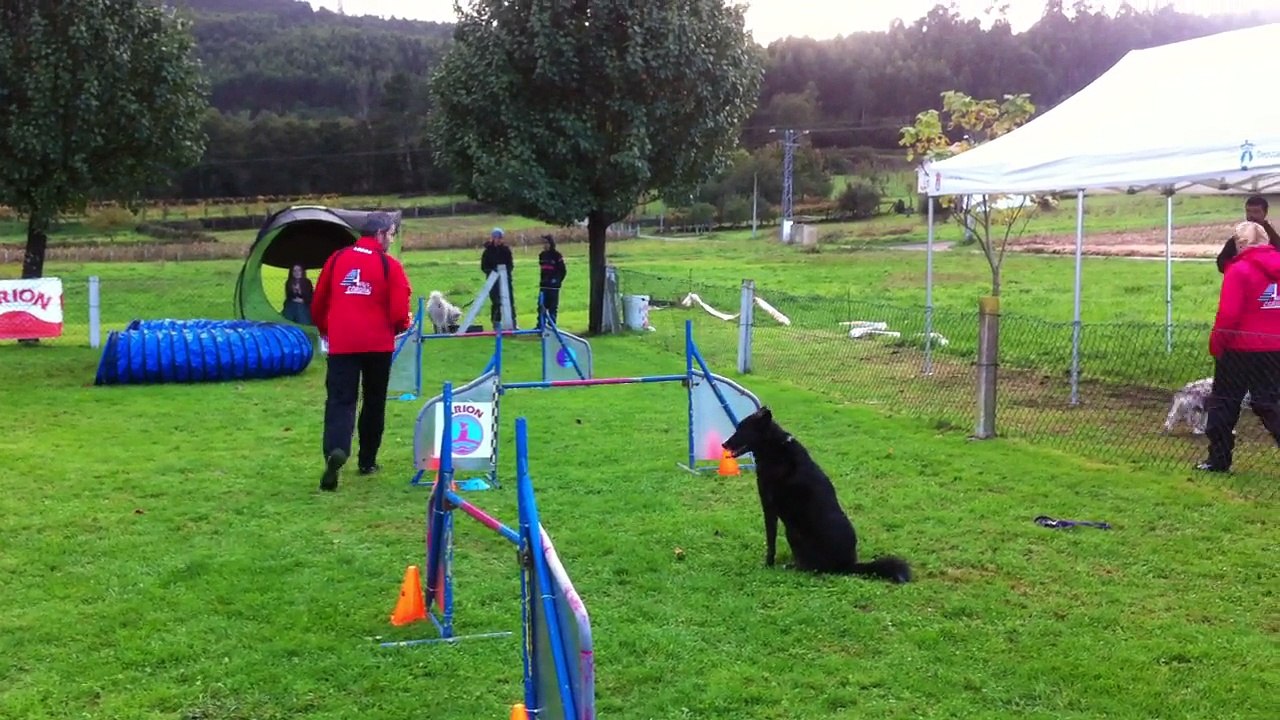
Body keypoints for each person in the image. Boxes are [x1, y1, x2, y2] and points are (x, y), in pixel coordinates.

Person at [310, 212, 413, 491]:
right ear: (380, 234)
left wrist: (326, 329)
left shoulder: (336, 259)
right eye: (391, 234)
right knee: (374, 400)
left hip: (343, 343)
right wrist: (401, 325)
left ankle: (336, 450)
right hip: (378, 344)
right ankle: (367, 460)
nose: (391, 240)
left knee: (340, 400)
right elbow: (399, 310)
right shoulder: (389, 265)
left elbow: (319, 301)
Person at [1201, 220, 1280, 473]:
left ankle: (1219, 459)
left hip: (1239, 348)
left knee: (1225, 402)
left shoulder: (1239, 269)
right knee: (1269, 402)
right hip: (1275, 348)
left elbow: (1229, 315)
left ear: (1239, 243)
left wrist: (1217, 344)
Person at [1215, 195, 1280, 273]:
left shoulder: (1272, 236)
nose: (1251, 216)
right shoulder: (1239, 236)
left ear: (1265, 213)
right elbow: (1221, 262)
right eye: (1248, 211)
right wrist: (1237, 268)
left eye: (1256, 212)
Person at [480, 227, 515, 329]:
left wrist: (505, 273)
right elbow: (484, 267)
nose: (498, 240)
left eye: (500, 238)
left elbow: (510, 265)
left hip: (506, 280)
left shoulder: (506, 250)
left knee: (509, 301)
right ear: (492, 238)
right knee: (496, 302)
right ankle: (496, 323)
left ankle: (513, 323)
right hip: (493, 282)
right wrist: (493, 272)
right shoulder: (487, 251)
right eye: (496, 237)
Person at [536, 234, 567, 328]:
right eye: (543, 243)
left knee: (553, 308)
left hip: (553, 287)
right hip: (544, 286)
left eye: (546, 243)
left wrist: (557, 281)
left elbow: (563, 270)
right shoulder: (542, 255)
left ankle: (552, 327)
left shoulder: (557, 255)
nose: (544, 245)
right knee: (541, 306)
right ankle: (540, 326)